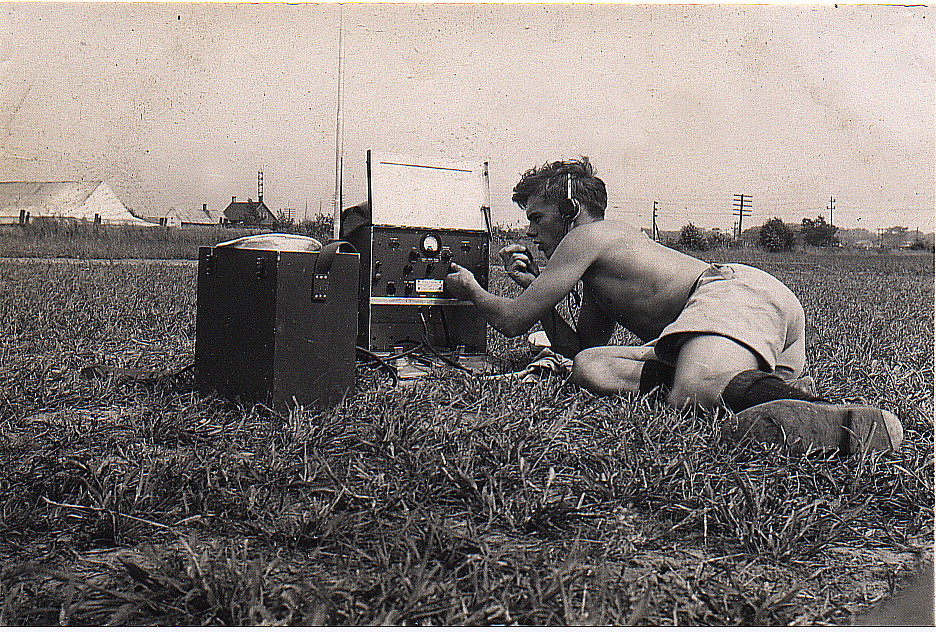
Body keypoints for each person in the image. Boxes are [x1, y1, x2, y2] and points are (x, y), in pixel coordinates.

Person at [444, 157, 902, 454]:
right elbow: (575, 346)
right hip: (743, 322)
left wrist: (471, 288)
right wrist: (542, 301)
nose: (530, 232)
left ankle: (846, 421)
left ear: (570, 211)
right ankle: (756, 394)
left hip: (731, 296)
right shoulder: (604, 266)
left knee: (692, 394)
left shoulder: (588, 235)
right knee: (590, 366)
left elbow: (509, 322)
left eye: (537, 218)